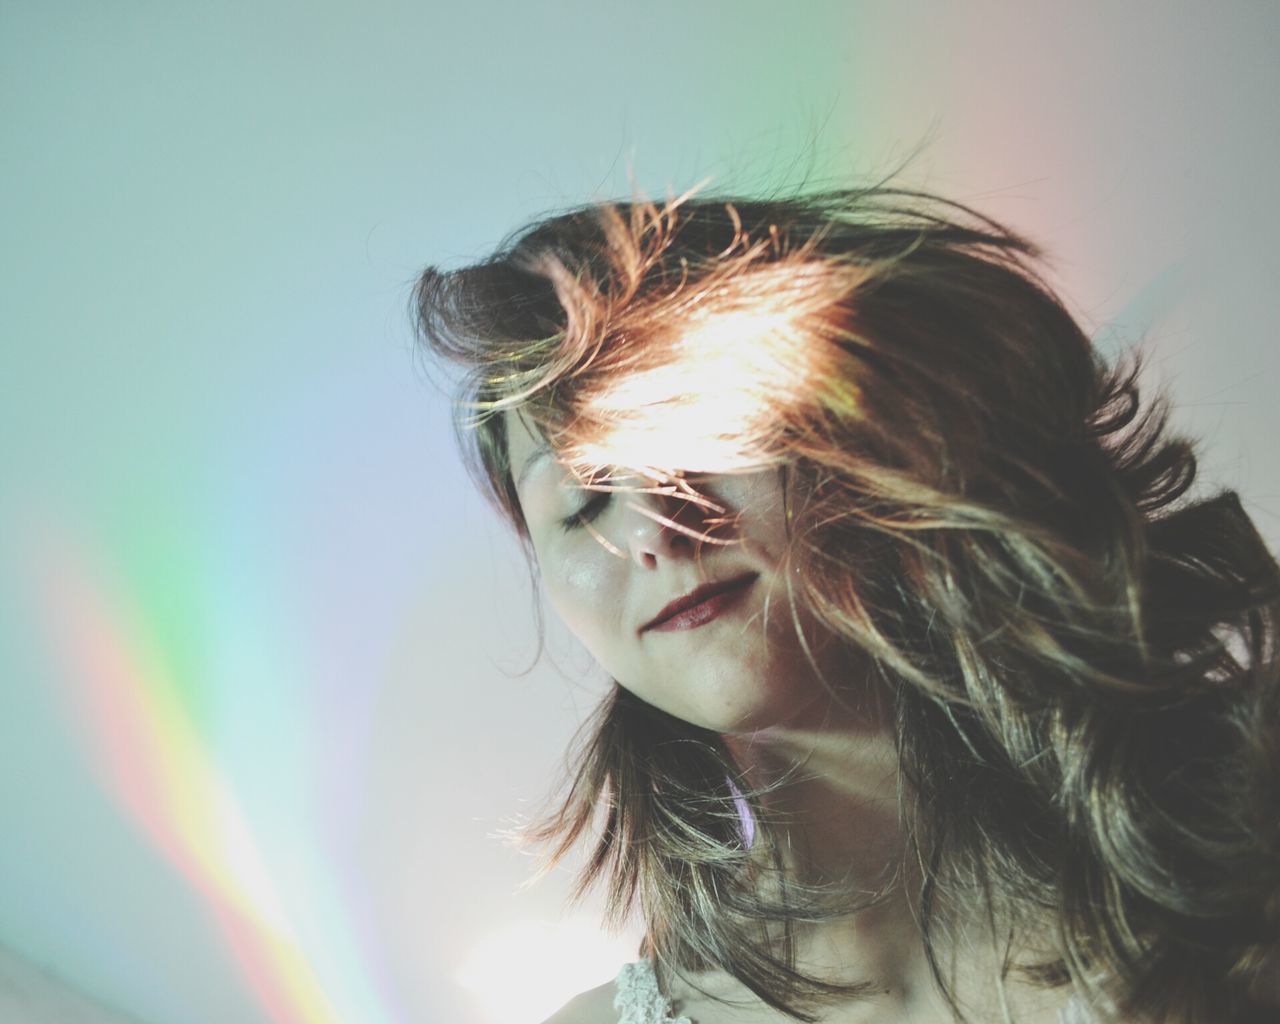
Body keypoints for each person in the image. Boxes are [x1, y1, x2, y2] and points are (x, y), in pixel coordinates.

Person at [412, 183, 1280, 1023]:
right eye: (584, 500)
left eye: (698, 438)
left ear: (869, 435)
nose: (656, 531)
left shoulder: (1244, 873)